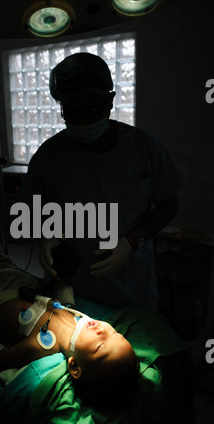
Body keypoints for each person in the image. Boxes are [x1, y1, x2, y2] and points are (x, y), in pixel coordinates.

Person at [17, 52, 183, 312]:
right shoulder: (49, 154)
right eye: (72, 112)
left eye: (93, 110)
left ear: (110, 101)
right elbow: (32, 209)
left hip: (129, 287)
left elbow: (168, 204)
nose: (83, 121)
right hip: (69, 287)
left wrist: (131, 242)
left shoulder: (143, 147)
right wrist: (45, 236)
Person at [0, 292, 139, 397]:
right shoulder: (80, 318)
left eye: (100, 346)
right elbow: (64, 298)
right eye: (115, 334)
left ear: (74, 367)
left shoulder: (44, 345)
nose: (103, 331)